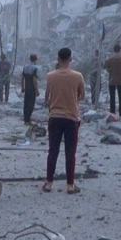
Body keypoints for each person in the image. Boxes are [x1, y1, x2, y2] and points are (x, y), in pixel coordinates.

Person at [43, 47, 85, 194]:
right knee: (70, 152)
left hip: (54, 117)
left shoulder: (50, 76)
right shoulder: (78, 76)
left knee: (53, 151)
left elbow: (47, 97)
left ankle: (48, 183)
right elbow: (81, 96)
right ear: (70, 59)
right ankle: (70, 185)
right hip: (71, 118)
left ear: (58, 59)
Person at [104, 44, 121, 118]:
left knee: (112, 97)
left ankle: (112, 113)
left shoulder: (109, 60)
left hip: (112, 80)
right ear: (120, 50)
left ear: (113, 50)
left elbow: (107, 69)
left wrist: (111, 71)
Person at [22, 54, 40, 124]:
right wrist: (37, 90)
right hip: (32, 89)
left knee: (26, 103)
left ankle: (25, 118)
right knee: (31, 104)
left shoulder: (25, 67)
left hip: (26, 88)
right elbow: (34, 80)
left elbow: (22, 78)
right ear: (36, 60)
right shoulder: (35, 68)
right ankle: (28, 119)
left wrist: (22, 87)